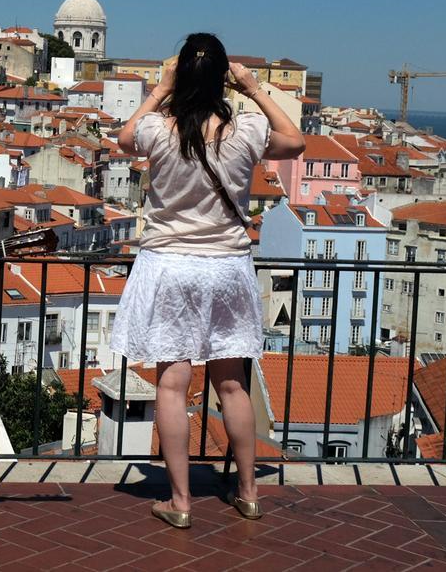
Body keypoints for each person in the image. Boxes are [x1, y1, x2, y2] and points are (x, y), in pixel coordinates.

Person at [114, 33, 304, 529]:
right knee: (232, 384)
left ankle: (180, 501)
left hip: (171, 264)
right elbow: (296, 141)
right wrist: (254, 87)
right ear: (222, 76)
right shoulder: (245, 131)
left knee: (172, 385)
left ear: (183, 76)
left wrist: (160, 87)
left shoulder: (159, 128)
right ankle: (248, 492)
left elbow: (123, 138)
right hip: (226, 267)